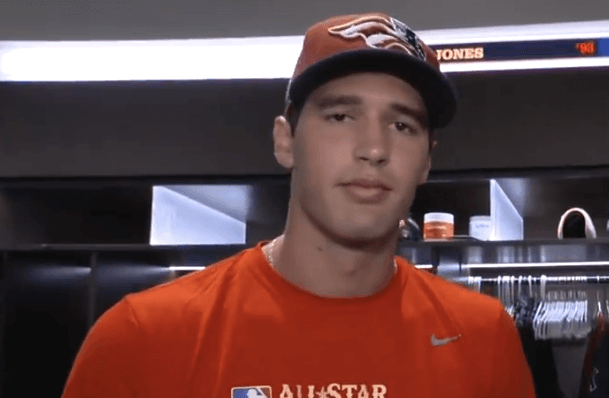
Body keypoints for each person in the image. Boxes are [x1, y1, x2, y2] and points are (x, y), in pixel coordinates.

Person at [61, 12, 535, 398]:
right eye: (341, 116)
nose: (373, 148)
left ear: (427, 161)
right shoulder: (141, 337)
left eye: (403, 126)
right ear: (285, 141)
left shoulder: (483, 338)